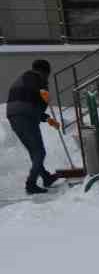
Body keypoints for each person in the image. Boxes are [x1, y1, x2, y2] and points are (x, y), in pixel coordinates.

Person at [6, 60, 60, 196]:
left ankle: (46, 177)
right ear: (44, 71)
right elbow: (35, 92)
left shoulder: (26, 79)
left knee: (34, 151)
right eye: (47, 74)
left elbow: (29, 103)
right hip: (24, 117)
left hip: (18, 116)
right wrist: (43, 91)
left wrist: (48, 119)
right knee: (39, 152)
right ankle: (31, 184)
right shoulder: (32, 77)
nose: (47, 77)